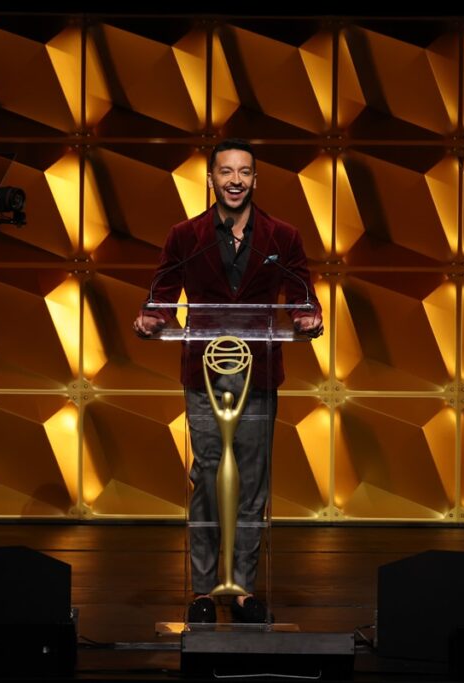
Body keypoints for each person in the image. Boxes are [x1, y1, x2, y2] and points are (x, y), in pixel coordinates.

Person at [134, 139, 323, 623]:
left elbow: (302, 293)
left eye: (243, 172)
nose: (235, 181)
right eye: (226, 172)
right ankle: (203, 590)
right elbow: (162, 292)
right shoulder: (185, 235)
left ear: (255, 179)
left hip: (258, 372)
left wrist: (307, 317)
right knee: (207, 475)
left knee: (252, 481)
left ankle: (240, 588)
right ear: (212, 179)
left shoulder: (282, 236)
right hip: (204, 372)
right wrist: (153, 317)